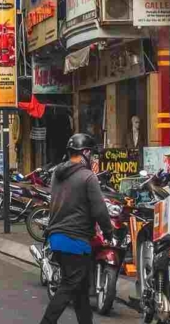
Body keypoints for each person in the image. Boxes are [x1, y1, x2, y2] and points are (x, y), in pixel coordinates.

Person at [38, 133, 113, 324]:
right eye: (93, 155)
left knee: (80, 290)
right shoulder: (88, 177)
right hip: (76, 239)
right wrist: (108, 232)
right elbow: (99, 209)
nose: (93, 159)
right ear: (85, 153)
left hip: (56, 237)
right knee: (69, 284)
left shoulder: (57, 173)